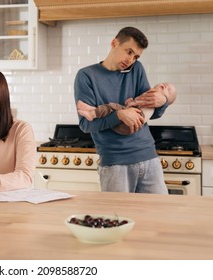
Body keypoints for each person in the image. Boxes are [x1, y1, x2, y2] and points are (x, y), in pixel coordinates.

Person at [74, 26, 171, 194]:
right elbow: (85, 125)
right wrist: (119, 115)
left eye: (136, 56)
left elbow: (148, 112)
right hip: (115, 164)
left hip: (149, 158)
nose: (131, 60)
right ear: (114, 43)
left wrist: (163, 101)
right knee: (118, 217)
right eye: (129, 52)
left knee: (159, 216)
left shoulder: (137, 69)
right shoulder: (86, 76)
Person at [77, 83, 176, 135]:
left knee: (112, 107)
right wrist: (131, 103)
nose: (166, 86)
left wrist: (133, 103)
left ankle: (92, 113)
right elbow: (139, 105)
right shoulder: (150, 96)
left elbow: (143, 106)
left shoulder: (154, 99)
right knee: (113, 111)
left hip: (130, 125)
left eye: (169, 90)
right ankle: (92, 111)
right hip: (130, 126)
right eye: (165, 84)